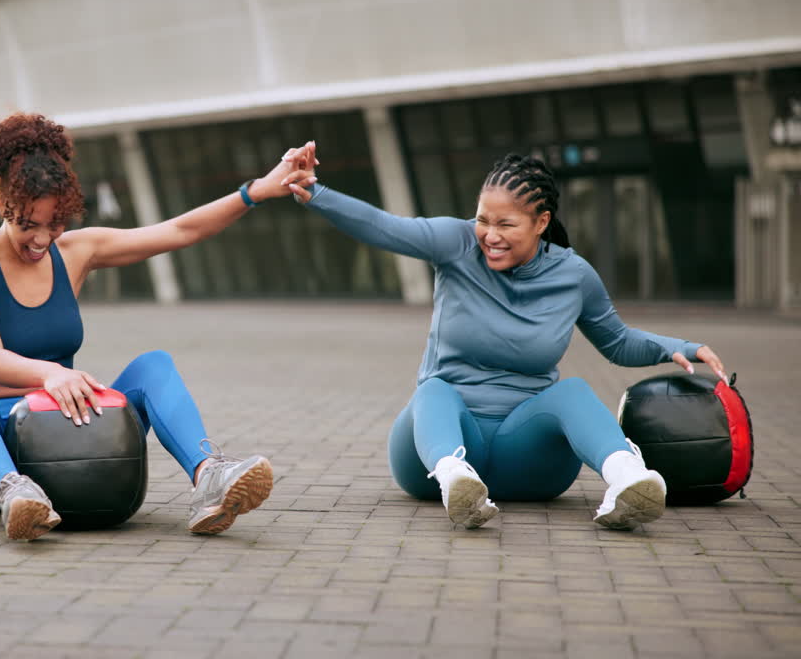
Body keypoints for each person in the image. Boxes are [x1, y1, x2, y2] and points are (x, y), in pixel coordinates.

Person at [271, 149, 728, 530]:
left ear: (541, 222)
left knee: (571, 391)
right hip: (433, 451)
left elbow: (616, 340)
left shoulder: (572, 275)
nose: (490, 235)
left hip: (525, 458)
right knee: (432, 389)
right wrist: (316, 193)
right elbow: (385, 226)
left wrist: (681, 347)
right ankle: (456, 482)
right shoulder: (455, 244)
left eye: (506, 224)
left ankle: (628, 479)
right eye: (482, 220)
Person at [0, 112, 313, 540]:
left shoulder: (77, 251)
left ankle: (209, 475)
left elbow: (179, 231)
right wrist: (52, 374)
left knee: (154, 365)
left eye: (55, 223)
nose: (42, 239)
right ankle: (17, 493)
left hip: (69, 434)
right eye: (28, 224)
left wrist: (257, 191)